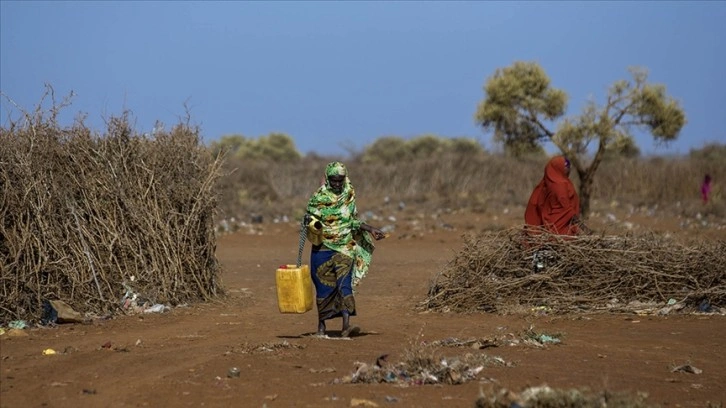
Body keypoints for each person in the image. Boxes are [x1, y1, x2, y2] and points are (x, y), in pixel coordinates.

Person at [305, 161, 387, 338]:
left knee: (344, 285)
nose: (337, 184)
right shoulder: (318, 197)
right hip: (322, 248)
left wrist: (370, 228)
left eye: (340, 180)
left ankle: (346, 326)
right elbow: (310, 220)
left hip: (345, 247)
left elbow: (352, 221)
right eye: (333, 180)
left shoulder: (348, 194)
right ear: (327, 178)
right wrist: (313, 223)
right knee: (322, 287)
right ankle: (321, 328)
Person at [524, 155, 586, 236]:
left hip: (547, 229)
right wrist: (583, 228)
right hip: (559, 231)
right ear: (559, 168)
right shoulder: (560, 186)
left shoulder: (546, 184)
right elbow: (567, 210)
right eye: (567, 167)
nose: (569, 169)